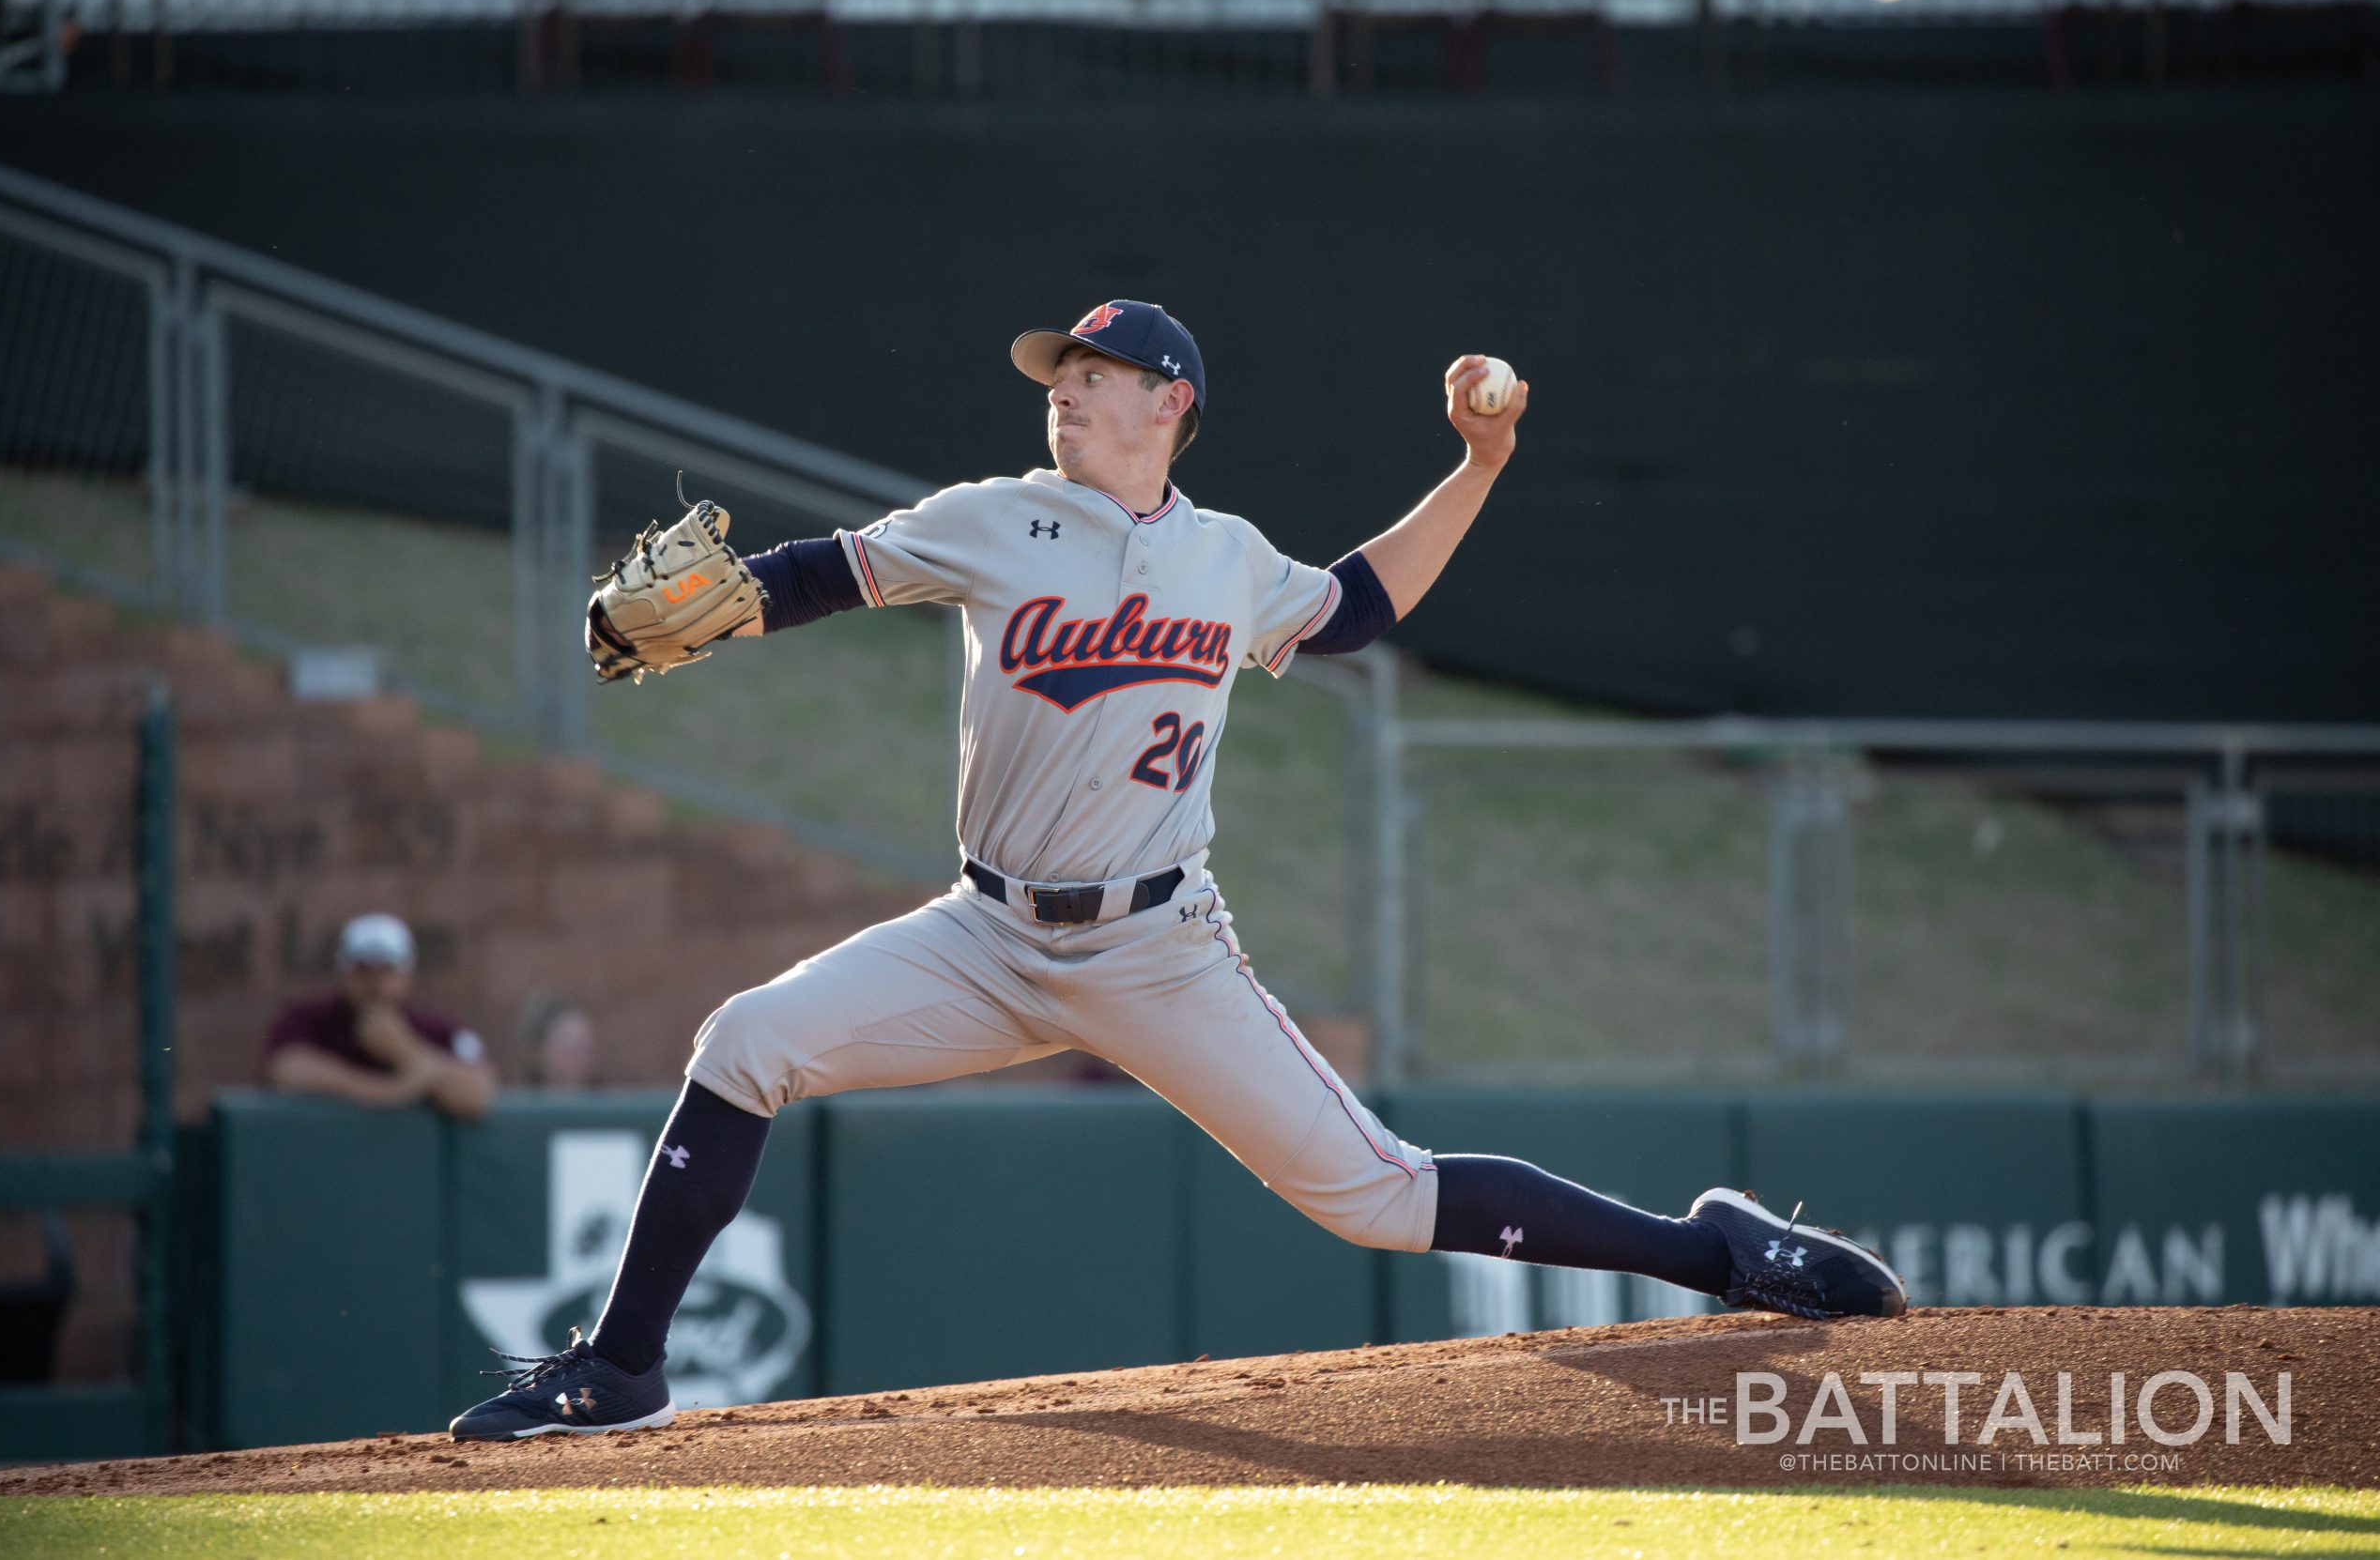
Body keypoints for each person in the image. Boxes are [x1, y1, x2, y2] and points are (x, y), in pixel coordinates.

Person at [449, 301, 1903, 1442]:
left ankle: (1717, 1254)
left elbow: (1354, 604)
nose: (1064, 388)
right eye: (1057, 372)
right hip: (985, 933)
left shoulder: (1227, 557)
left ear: (1169, 402)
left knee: (1378, 1196)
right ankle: (623, 1365)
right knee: (746, 1039)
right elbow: (825, 568)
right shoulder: (994, 515)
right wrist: (733, 605)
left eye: (1095, 370)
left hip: (1160, 949)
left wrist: (1479, 464)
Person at [263, 913, 496, 1119]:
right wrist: (391, 1092)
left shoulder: (436, 1027)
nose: (376, 983)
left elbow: (477, 1094)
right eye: (363, 970)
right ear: (343, 972)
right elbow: (288, 1070)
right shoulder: (308, 1018)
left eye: (388, 969)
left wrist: (404, 1050)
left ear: (408, 974)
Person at [515, 992, 601, 1090]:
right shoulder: (513, 1102)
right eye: (571, 1050)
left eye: (587, 1050)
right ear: (538, 1051)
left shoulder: (605, 1101)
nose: (582, 1059)